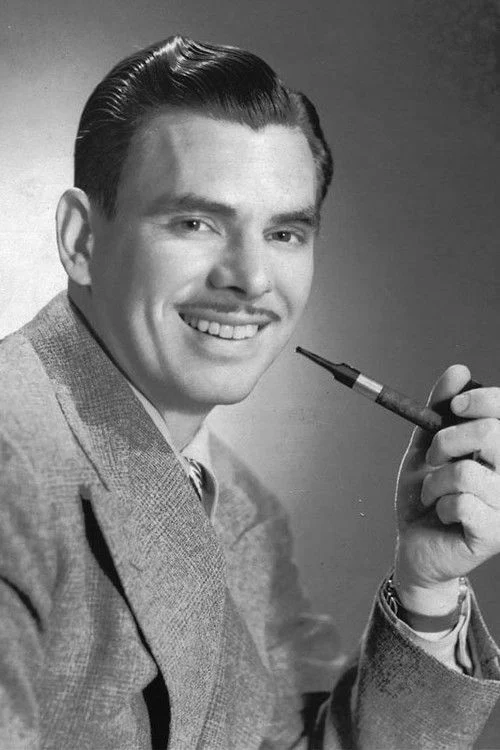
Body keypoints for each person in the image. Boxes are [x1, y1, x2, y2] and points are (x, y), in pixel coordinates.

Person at [1, 34, 500, 750]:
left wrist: (425, 587)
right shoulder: (13, 465)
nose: (252, 279)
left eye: (285, 233)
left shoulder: (238, 507)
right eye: (195, 222)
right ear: (82, 239)